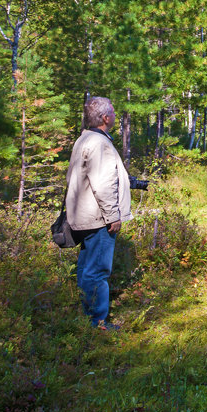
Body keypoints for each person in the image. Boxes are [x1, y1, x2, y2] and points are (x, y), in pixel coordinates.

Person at [64, 95, 131, 329]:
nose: (114, 114)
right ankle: (97, 323)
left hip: (85, 217)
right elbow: (102, 183)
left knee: (85, 269)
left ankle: (87, 319)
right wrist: (113, 216)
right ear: (105, 117)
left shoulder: (85, 140)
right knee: (97, 271)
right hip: (98, 219)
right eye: (112, 111)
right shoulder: (99, 143)